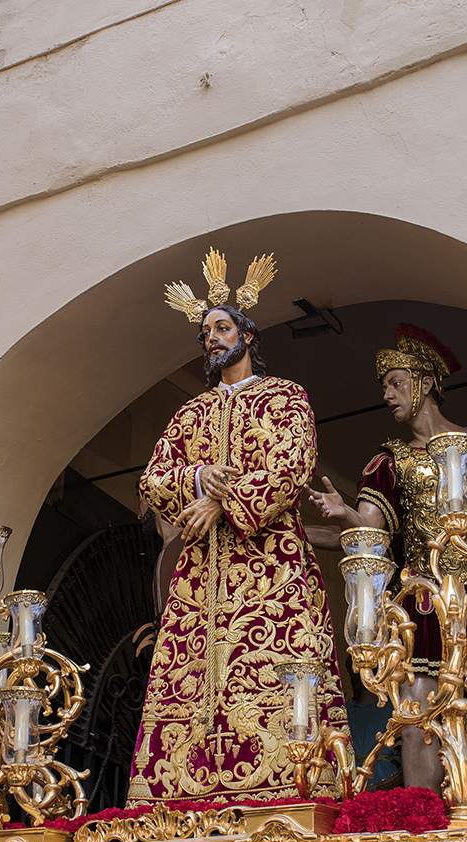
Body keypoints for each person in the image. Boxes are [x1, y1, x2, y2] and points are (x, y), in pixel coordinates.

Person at [127, 253, 351, 804]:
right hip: (200, 580)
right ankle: (179, 801)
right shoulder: (189, 414)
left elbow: (291, 466)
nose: (212, 339)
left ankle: (296, 793)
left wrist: (222, 505)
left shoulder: (285, 398)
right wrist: (197, 477)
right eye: (205, 332)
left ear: (247, 335)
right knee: (189, 686)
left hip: (272, 570)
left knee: (282, 678)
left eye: (222, 328)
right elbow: (152, 480)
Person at [307, 323, 467, 795]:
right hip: (423, 601)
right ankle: (422, 823)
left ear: (425, 383)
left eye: (395, 383)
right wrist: (342, 515)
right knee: (416, 721)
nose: (387, 395)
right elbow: (368, 534)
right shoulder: (388, 462)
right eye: (384, 387)